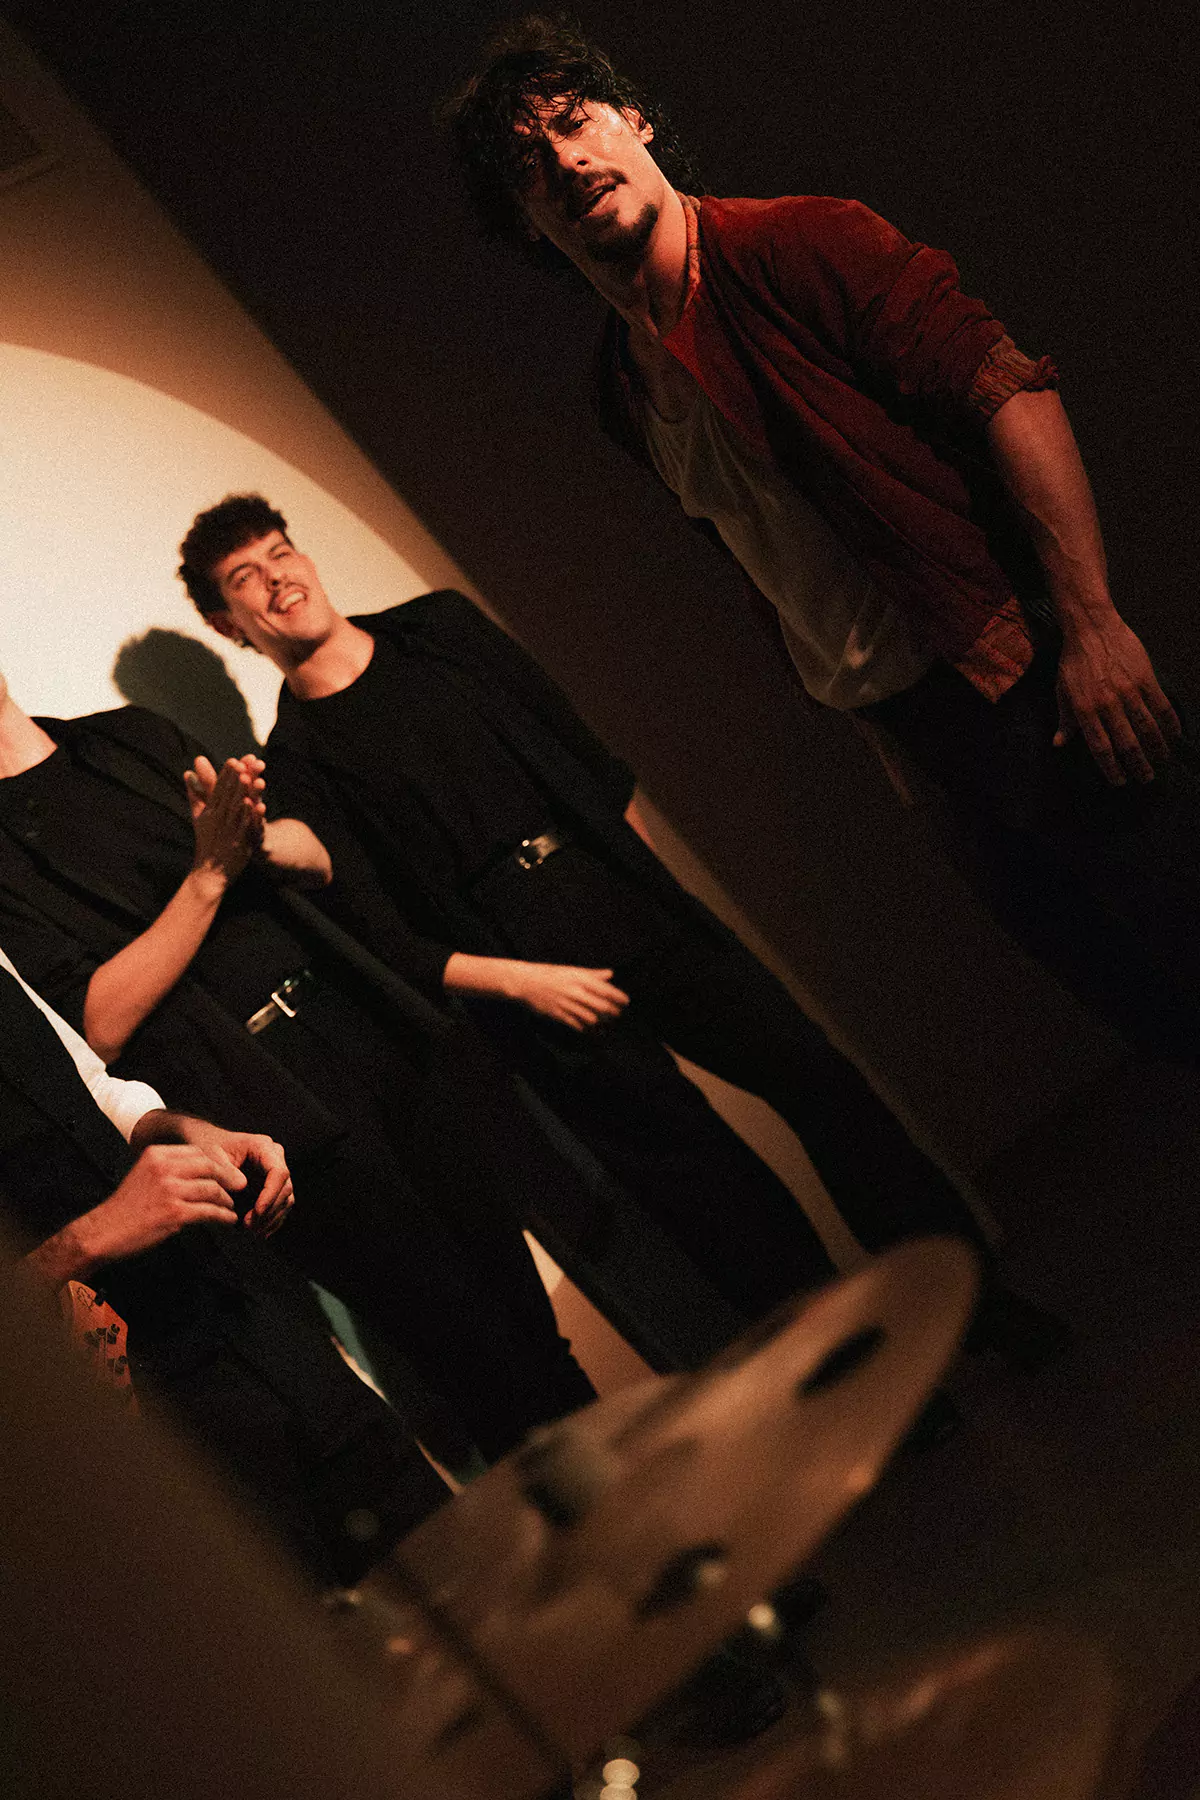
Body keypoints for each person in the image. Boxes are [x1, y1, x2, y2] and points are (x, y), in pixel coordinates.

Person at [443, 18, 1200, 1063]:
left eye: (577, 122)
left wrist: (1093, 625)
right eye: (532, 161)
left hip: (1025, 671)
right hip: (926, 731)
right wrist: (882, 732)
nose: (568, 161)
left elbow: (1009, 391)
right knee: (1132, 1000)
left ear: (638, 122)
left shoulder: (795, 242)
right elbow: (770, 557)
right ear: (524, 222)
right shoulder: (622, 390)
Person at [177, 492, 1062, 1369]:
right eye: (245, 578)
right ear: (229, 624)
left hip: (624, 898)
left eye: (279, 551)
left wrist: (648, 883)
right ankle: (855, 1373)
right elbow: (386, 932)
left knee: (820, 1082)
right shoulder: (299, 761)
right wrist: (521, 982)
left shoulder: (440, 630)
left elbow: (584, 753)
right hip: (536, 987)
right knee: (703, 1183)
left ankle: (973, 1304)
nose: (277, 578)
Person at [0, 666, 596, 1462]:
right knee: (475, 1356)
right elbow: (96, 1027)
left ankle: (642, 1504)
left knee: (532, 1326)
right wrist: (208, 876)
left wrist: (251, 840)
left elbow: (315, 855)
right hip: (266, 1105)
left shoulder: (124, 735)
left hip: (368, 1032)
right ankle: (588, 1527)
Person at [0, 942, 450, 1589]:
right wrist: (88, 1238)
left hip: (228, 1302)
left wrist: (191, 1133)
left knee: (444, 1545)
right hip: (123, 1405)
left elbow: (93, 1087)